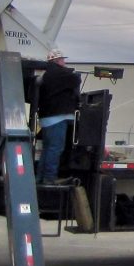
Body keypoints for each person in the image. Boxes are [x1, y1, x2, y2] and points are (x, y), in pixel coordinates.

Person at [37, 49, 81, 184]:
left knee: (47, 149)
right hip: (57, 118)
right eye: (62, 59)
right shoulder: (59, 73)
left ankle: (40, 177)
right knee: (56, 148)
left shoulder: (45, 75)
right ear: (56, 61)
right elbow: (75, 79)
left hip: (46, 119)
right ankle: (50, 177)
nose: (64, 62)